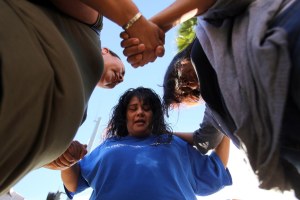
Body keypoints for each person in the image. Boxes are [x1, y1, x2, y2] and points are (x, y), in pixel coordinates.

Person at [120, 0, 300, 197]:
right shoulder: (215, 111)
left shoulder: (209, 31)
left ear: (180, 63)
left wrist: (156, 27)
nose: (190, 88)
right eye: (185, 96)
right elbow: (203, 141)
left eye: (182, 82)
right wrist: (159, 132)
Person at [0, 0, 164, 194]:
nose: (120, 78)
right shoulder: (91, 27)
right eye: (121, 70)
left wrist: (55, 158)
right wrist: (134, 20)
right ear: (105, 51)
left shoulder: (80, 110)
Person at [47, 87, 232, 200]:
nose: (140, 113)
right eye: (133, 108)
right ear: (124, 115)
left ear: (155, 115)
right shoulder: (108, 146)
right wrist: (67, 158)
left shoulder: (174, 143)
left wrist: (225, 122)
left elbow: (216, 167)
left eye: (146, 108)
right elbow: (74, 183)